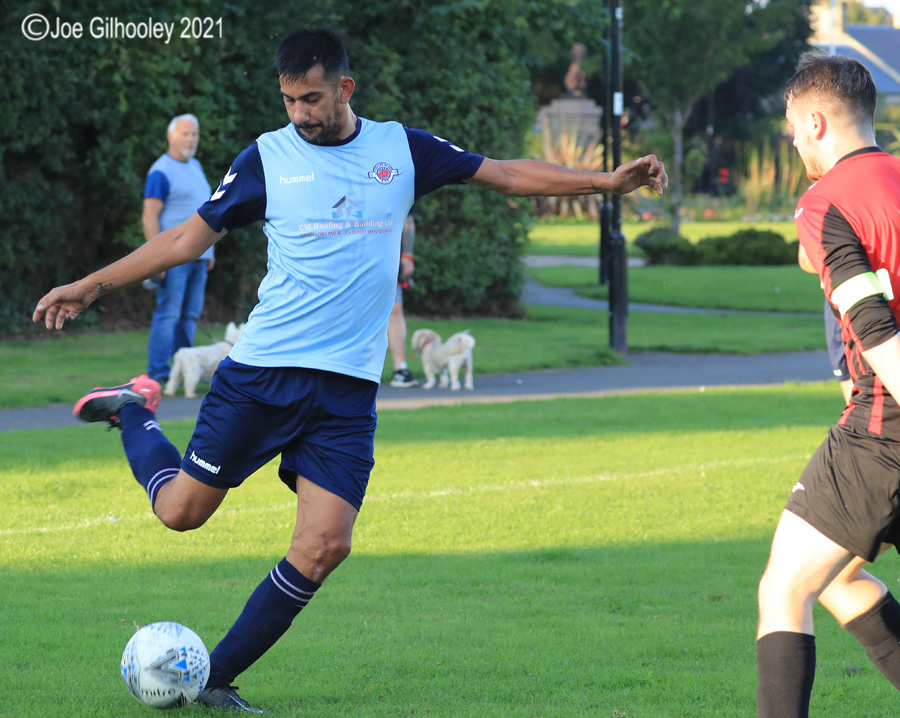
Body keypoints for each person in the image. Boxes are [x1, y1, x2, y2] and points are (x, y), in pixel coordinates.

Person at [34, 27, 666, 713]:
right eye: (288, 101)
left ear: (344, 88)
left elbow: (507, 174)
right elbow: (188, 238)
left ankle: (213, 677)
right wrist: (91, 287)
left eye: (311, 98)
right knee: (181, 513)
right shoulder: (266, 159)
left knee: (325, 544)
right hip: (264, 375)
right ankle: (133, 411)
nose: (300, 113)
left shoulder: (401, 149)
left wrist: (605, 180)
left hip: (347, 392)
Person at [757, 52, 900, 718]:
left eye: (792, 131)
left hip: (886, 425)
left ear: (815, 122)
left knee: (785, 588)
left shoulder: (825, 200)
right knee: (839, 576)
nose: (792, 145)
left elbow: (874, 324)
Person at [143, 114, 215, 383]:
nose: (191, 139)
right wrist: (155, 260)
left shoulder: (196, 167)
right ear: (171, 136)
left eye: (194, 134)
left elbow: (207, 212)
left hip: (200, 255)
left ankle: (182, 372)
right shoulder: (160, 171)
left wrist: (210, 250)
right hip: (173, 257)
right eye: (185, 134)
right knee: (169, 314)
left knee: (190, 316)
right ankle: (158, 374)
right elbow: (150, 217)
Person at [388, 214, 418, 387]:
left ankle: (400, 369)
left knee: (395, 309)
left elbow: (408, 218)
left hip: (390, 258)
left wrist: (407, 255)